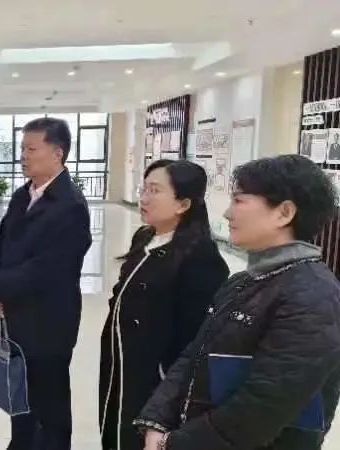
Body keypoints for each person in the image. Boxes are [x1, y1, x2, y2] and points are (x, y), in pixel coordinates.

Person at [136, 155, 340, 450]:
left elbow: (262, 407)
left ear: (283, 213)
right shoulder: (244, 281)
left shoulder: (312, 295)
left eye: (239, 201)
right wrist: (156, 420)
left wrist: (176, 443)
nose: (228, 213)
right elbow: (194, 355)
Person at [99, 160, 228, 450]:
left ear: (183, 204)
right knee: (115, 426)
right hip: (122, 362)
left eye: (154, 190)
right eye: (143, 189)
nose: (144, 198)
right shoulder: (145, 237)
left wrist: (169, 387)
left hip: (156, 378)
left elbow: (195, 336)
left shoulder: (200, 256)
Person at [0, 117, 92, 450]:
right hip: (17, 315)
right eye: (22, 148)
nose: (23, 156)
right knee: (20, 392)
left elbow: (47, 270)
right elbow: (0, 244)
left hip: (49, 323)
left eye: (31, 149)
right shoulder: (24, 194)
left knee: (49, 400)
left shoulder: (70, 205)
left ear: (57, 153)